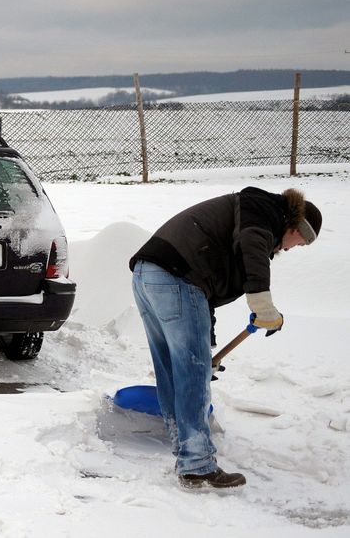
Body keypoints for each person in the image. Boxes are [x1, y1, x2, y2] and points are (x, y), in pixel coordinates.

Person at [129, 187, 322, 490]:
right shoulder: (263, 209)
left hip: (149, 275)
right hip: (176, 276)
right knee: (191, 374)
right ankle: (196, 465)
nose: (294, 247)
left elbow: (204, 296)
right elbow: (253, 246)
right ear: (297, 228)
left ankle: (186, 452)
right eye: (302, 241)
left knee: (173, 370)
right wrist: (262, 303)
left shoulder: (248, 213)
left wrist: (207, 349)